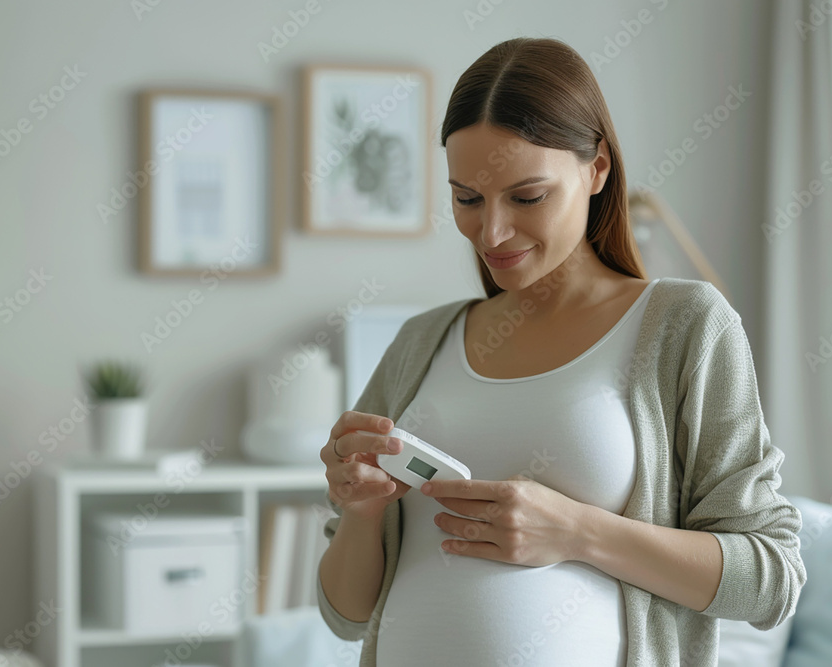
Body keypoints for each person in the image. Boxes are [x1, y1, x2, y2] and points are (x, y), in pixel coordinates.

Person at [317, 36, 806, 666]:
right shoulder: (420, 343)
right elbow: (346, 617)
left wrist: (577, 532)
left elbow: (770, 580)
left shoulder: (684, 325)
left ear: (597, 168)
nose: (490, 232)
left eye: (527, 197)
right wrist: (359, 515)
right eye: (467, 198)